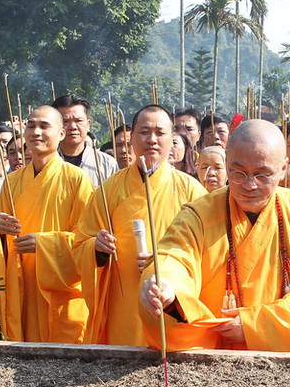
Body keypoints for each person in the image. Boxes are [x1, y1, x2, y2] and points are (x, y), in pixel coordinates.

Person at [139, 119, 290, 352]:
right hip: (215, 359)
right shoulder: (199, 214)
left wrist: (252, 326)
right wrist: (167, 286)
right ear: (227, 163)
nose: (249, 185)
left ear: (283, 169)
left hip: (285, 361)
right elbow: (173, 257)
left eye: (263, 175)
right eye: (238, 173)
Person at [74, 105, 206, 346]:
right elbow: (80, 244)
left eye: (160, 133)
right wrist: (97, 248)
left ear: (172, 138)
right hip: (121, 304)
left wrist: (164, 262)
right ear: (132, 138)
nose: (152, 140)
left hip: (168, 300)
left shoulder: (192, 190)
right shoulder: (109, 189)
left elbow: (207, 252)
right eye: (144, 132)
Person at [0, 106, 94, 343]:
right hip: (21, 288)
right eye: (31, 125)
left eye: (44, 126)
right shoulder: (12, 181)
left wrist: (45, 244)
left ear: (61, 133)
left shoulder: (76, 180)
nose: (36, 132)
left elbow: (87, 240)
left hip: (60, 291)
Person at [52, 94, 119, 184]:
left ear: (88, 125)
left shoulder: (106, 164)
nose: (72, 127)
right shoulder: (45, 162)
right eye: (65, 122)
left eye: (78, 121)